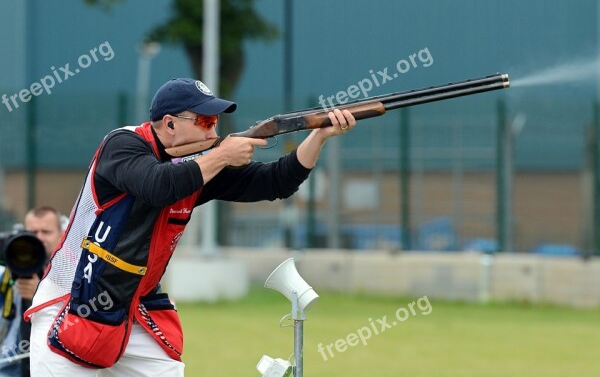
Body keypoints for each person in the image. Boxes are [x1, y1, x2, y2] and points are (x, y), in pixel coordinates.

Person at [25, 78, 356, 375]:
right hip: (72, 302)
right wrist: (221, 156)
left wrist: (320, 135)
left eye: (216, 120)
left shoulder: (201, 162)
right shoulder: (122, 145)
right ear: (169, 124)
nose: (214, 131)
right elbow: (157, 185)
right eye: (204, 120)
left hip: (133, 306)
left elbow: (275, 183)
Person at [0, 207, 63, 377]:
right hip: (10, 364)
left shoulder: (69, 272)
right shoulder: (9, 267)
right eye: (33, 232)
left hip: (51, 364)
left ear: (61, 234)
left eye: (46, 232)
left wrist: (41, 295)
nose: (40, 238)